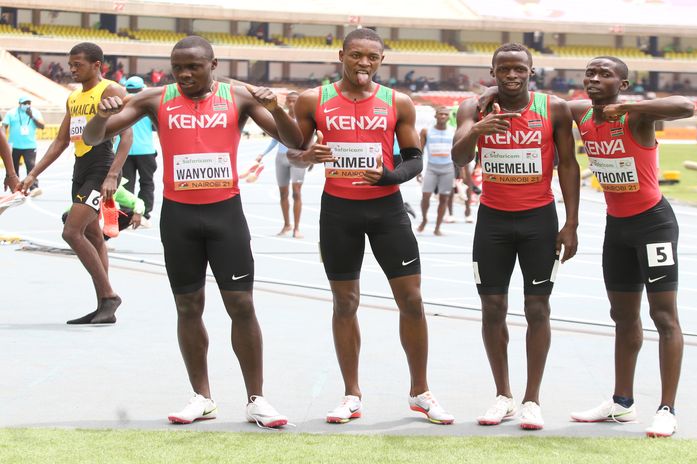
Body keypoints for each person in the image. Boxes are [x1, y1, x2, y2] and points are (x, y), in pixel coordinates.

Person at [83, 35, 304, 428]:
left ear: (213, 64)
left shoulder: (239, 97)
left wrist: (276, 109)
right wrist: (101, 113)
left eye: (194, 67)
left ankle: (257, 399)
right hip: (180, 218)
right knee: (188, 307)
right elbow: (92, 137)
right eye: (177, 66)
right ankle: (202, 396)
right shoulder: (156, 98)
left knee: (242, 306)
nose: (184, 74)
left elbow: (293, 140)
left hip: (225, 216)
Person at [288, 28, 454, 425]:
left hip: (386, 211)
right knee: (345, 303)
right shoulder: (315, 100)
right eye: (357, 55)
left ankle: (421, 392)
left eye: (373, 58)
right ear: (342, 54)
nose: (364, 63)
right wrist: (307, 155)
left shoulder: (398, 102)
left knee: (412, 300)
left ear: (382, 61)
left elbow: (414, 159)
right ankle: (351, 395)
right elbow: (295, 153)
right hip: (339, 212)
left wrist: (391, 177)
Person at [453, 43, 580, 430]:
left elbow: (569, 164)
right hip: (492, 220)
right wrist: (478, 129)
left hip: (539, 220)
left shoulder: (553, 108)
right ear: (492, 73)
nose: (511, 75)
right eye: (503, 69)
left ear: (531, 72)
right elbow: (459, 157)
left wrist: (571, 223)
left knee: (537, 309)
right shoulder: (472, 108)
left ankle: (532, 400)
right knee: (492, 308)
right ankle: (503, 395)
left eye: (519, 69)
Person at [566, 56, 694, 438]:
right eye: (590, 73)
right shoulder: (580, 113)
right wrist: (489, 91)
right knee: (622, 316)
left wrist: (628, 107)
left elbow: (686, 107)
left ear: (622, 84)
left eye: (605, 74)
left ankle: (667, 409)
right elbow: (538, 101)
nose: (594, 78)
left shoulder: (636, 118)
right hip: (616, 227)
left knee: (664, 316)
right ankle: (622, 403)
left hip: (653, 223)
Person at [19, 42, 133, 325]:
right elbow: (61, 141)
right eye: (70, 64)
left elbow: (126, 136)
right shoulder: (73, 98)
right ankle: (103, 307)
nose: (71, 69)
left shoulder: (110, 91)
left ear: (97, 65)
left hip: (101, 167)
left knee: (71, 232)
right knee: (93, 237)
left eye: (77, 64)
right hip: (81, 168)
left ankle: (109, 296)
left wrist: (112, 175)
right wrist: (34, 174)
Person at [254, 91, 307, 238]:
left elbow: (310, 139)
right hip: (281, 157)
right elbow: (274, 139)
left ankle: (297, 228)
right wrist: (262, 154)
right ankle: (286, 225)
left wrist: (309, 157)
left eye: (294, 101)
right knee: (283, 193)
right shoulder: (280, 118)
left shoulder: (304, 119)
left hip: (298, 157)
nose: (291, 104)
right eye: (289, 101)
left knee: (296, 192)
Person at [119, 76, 157, 223]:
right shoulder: (147, 103)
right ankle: (144, 213)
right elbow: (155, 126)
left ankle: (126, 213)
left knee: (126, 182)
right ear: (142, 88)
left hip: (124, 150)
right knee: (146, 182)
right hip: (145, 149)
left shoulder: (122, 103)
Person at [417, 107, 454, 236]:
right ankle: (424, 219)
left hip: (448, 168)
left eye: (445, 114)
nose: (443, 116)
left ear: (449, 117)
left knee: (444, 198)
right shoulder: (426, 131)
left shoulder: (453, 132)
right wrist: (418, 169)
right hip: (431, 168)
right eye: (440, 114)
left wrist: (461, 170)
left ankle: (437, 227)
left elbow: (457, 151)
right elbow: (420, 151)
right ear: (435, 116)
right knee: (425, 196)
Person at [3, 96, 45, 196]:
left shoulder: (35, 112)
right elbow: (4, 125)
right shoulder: (11, 113)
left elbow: (42, 126)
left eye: (28, 103)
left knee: (31, 166)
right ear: (20, 104)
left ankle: (34, 187)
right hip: (14, 145)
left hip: (30, 145)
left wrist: (32, 116)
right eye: (24, 103)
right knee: (14, 167)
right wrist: (4, 137)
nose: (27, 105)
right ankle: (15, 188)